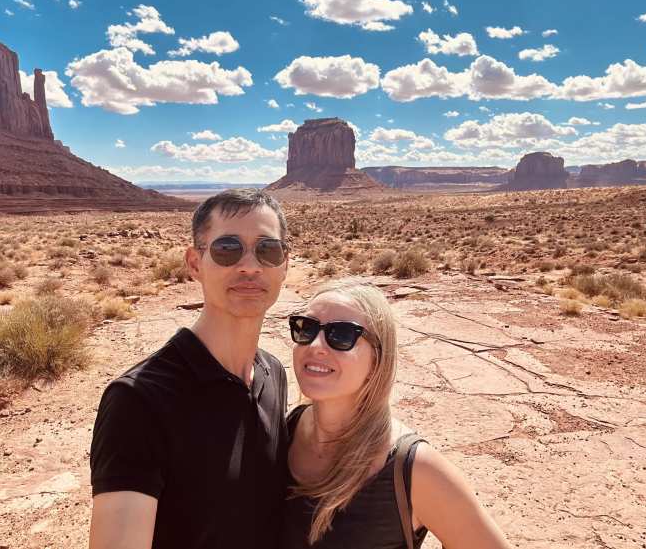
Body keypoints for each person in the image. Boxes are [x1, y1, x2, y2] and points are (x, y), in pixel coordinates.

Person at [89, 189, 291, 549]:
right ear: (195, 263)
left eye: (267, 250)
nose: (249, 265)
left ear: (285, 266)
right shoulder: (139, 401)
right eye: (227, 249)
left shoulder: (273, 374)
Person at [280, 280, 513, 549]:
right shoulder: (287, 428)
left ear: (377, 359)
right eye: (305, 328)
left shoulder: (414, 470)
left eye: (341, 335)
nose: (316, 345)